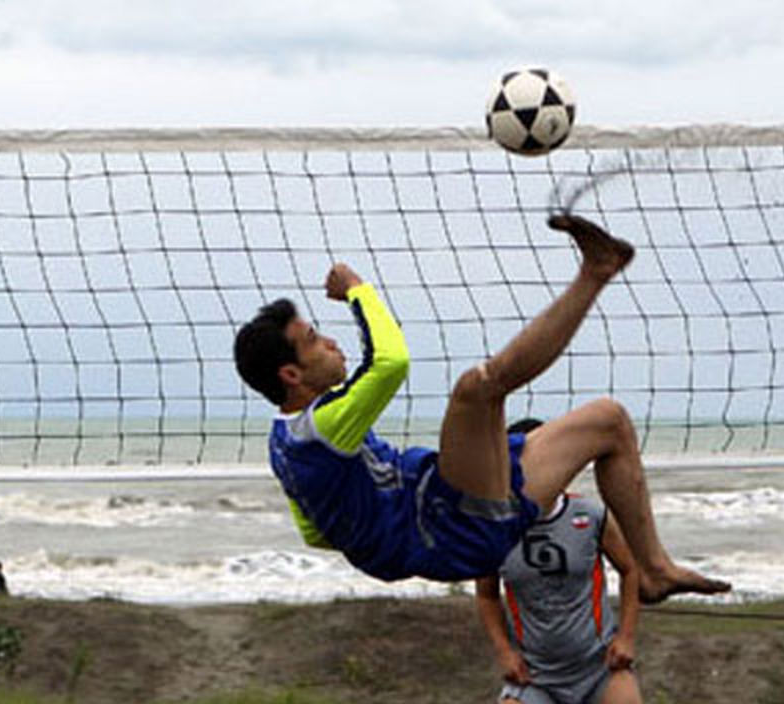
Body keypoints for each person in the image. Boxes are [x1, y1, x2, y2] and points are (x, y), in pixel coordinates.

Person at [233, 213, 728, 602]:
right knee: (477, 389)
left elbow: (316, 533)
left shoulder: (286, 446)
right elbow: (390, 362)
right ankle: (594, 271)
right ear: (291, 376)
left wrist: (372, 534)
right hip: (442, 524)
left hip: (448, 513)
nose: (332, 343)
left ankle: (655, 570)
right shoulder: (320, 427)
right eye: (314, 340)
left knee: (609, 422)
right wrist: (356, 291)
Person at [477, 419, 672, 704]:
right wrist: (504, 651)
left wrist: (626, 636)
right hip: (537, 677)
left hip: (598, 668)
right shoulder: (494, 525)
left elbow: (630, 569)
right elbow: (487, 594)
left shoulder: (590, 516)